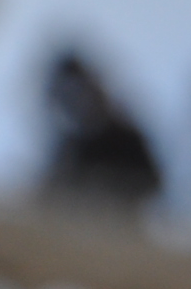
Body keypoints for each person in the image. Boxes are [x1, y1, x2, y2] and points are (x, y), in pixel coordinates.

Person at [34, 46, 163, 209]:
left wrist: (109, 186)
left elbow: (152, 183)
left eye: (79, 92)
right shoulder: (70, 148)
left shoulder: (126, 139)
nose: (75, 101)